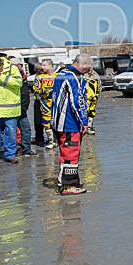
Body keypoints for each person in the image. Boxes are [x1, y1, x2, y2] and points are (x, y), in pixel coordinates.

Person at [51, 53, 92, 195]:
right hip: (69, 123)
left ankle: (70, 180)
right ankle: (67, 185)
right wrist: (84, 122)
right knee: (71, 153)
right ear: (83, 64)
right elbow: (77, 101)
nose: (91, 69)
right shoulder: (74, 77)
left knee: (65, 152)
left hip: (58, 121)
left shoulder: (61, 73)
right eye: (90, 66)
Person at [32, 59, 57, 149]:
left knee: (57, 121)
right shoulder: (40, 77)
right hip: (45, 103)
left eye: (44, 65)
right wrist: (43, 91)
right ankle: (50, 140)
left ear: (50, 65)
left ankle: (57, 139)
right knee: (46, 121)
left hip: (56, 103)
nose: (42, 67)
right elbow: (35, 88)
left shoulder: (58, 76)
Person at [14, 62, 36, 157]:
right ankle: (11, 151)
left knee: (26, 129)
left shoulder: (23, 75)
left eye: (21, 65)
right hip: (13, 108)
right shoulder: (12, 76)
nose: (20, 66)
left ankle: (26, 149)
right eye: (18, 64)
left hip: (23, 108)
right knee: (10, 130)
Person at [31, 62, 46, 147]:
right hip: (37, 101)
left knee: (47, 120)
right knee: (37, 121)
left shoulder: (46, 76)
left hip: (46, 101)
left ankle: (52, 138)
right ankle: (39, 138)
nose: (40, 72)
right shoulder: (36, 76)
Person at [83, 67, 101, 135]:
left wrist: (96, 95)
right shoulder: (83, 76)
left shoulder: (95, 76)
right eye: (89, 69)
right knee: (85, 113)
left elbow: (99, 86)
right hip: (86, 99)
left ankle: (90, 127)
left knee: (92, 112)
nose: (90, 70)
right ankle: (84, 127)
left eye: (91, 69)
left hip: (93, 98)